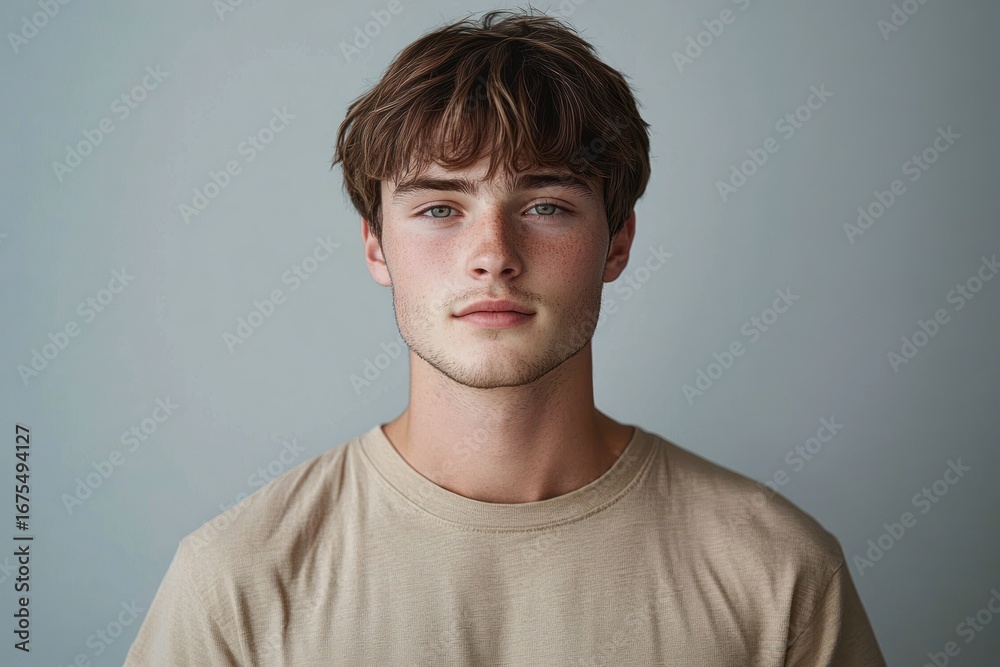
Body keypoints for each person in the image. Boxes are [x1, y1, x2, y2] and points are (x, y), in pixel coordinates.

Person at [125, 9, 887, 665]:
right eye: (439, 209)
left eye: (547, 204)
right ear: (374, 246)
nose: (493, 251)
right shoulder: (237, 580)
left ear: (616, 242)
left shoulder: (779, 570)